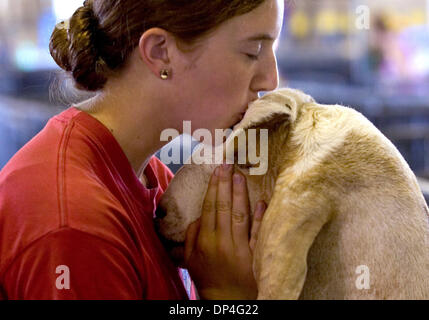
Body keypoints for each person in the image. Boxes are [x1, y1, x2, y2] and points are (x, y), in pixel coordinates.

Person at [0, 0, 283, 300]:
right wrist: (229, 297)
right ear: (160, 52)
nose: (271, 81)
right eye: (252, 52)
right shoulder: (75, 224)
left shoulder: (150, 175)